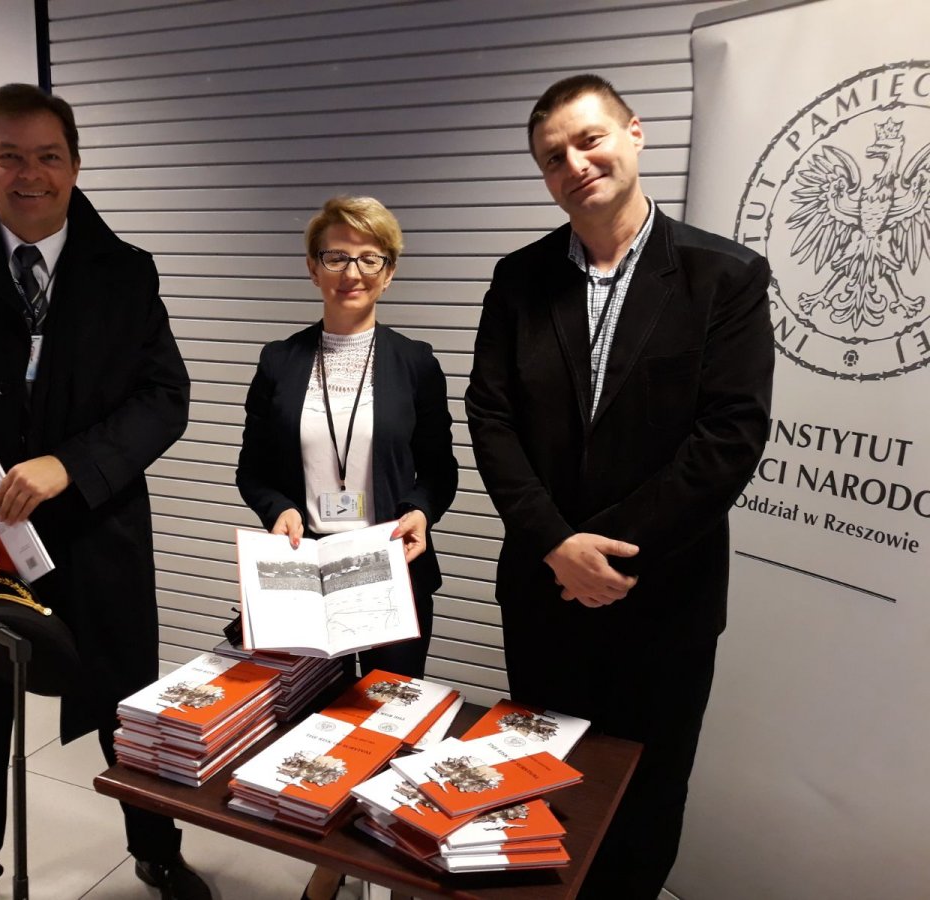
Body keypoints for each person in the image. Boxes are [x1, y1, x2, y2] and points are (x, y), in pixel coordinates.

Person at [0, 84, 210, 900]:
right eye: (10, 156)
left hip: (96, 530)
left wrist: (72, 464)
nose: (31, 174)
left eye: (48, 155)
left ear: (75, 164)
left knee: (128, 708)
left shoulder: (125, 272)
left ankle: (156, 850)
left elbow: (164, 398)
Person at [465, 74, 774, 899]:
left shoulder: (724, 276)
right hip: (543, 590)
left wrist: (605, 556)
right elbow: (490, 417)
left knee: (646, 798)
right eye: (553, 156)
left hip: (662, 600)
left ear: (634, 133)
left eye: (589, 139)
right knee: (540, 780)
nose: (574, 163)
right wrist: (555, 545)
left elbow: (729, 437)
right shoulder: (519, 278)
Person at [236, 196, 458, 900]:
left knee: (389, 723)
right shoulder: (279, 361)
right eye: (336, 256)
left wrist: (422, 511)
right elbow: (252, 469)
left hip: (391, 568)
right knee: (318, 728)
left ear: (389, 272)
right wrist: (279, 510)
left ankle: (389, 858)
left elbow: (441, 469)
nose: (352, 272)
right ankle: (329, 861)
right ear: (313, 268)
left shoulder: (416, 363)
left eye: (369, 258)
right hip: (307, 574)